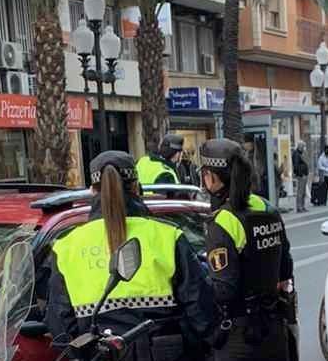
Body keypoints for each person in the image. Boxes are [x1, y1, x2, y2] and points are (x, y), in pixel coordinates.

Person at [46, 151, 214, 359]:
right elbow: (200, 306)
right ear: (135, 186)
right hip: (165, 352)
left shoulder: (66, 247)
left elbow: (59, 323)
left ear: (92, 190)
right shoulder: (168, 236)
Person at [199, 139, 294, 361]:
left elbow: (224, 290)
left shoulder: (223, 221)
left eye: (204, 173)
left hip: (240, 337)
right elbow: (285, 270)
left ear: (212, 176)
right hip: (274, 330)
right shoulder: (268, 208)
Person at [291, 145, 309, 213]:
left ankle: (302, 206)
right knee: (300, 192)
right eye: (303, 147)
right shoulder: (296, 154)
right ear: (300, 147)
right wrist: (300, 174)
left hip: (303, 175)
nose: (304, 149)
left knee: (303, 192)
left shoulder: (299, 154)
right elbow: (296, 166)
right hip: (301, 176)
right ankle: (299, 207)